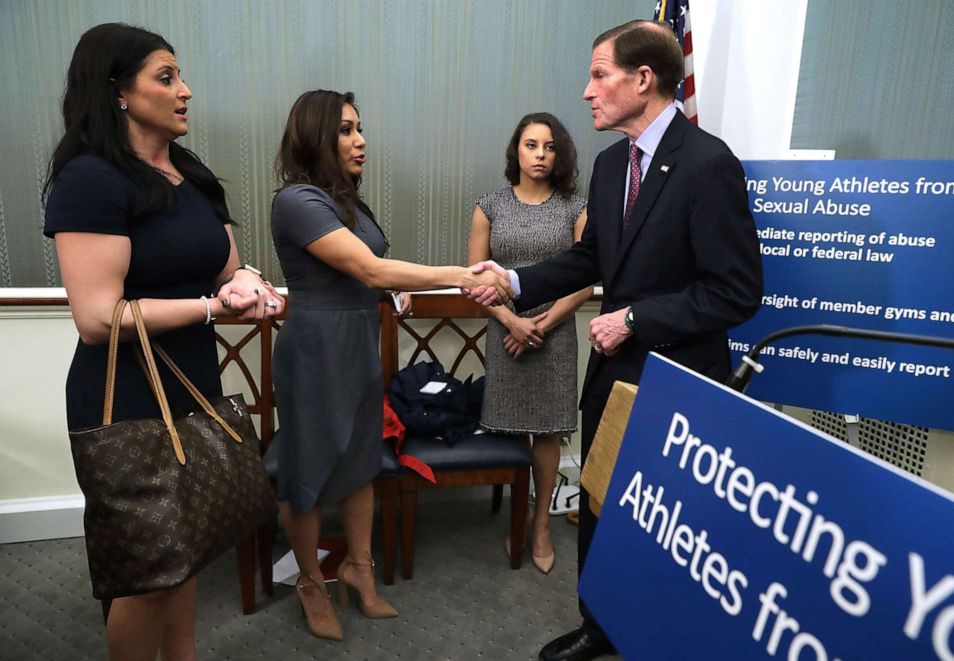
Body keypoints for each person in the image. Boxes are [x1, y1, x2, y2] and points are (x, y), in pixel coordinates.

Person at [469, 20, 763, 661]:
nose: (586, 91)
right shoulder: (609, 166)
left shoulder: (709, 165)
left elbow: (736, 294)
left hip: (680, 384)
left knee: (667, 524)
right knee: (602, 511)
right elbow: (592, 259)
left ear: (643, 79)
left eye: (599, 74)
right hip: (612, 379)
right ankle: (598, 628)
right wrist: (513, 279)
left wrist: (634, 319)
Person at [42, 23, 285, 661]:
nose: (186, 92)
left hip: (191, 383)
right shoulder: (90, 179)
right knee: (147, 574)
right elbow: (97, 317)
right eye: (166, 77)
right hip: (123, 400)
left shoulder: (192, 173)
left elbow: (226, 265)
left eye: (180, 77)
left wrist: (248, 284)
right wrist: (211, 306)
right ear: (118, 91)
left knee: (185, 554)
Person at [270, 89, 510, 641]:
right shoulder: (298, 200)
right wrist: (462, 274)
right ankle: (311, 582)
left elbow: (368, 277)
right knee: (308, 470)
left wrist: (387, 296)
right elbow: (371, 268)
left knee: (361, 462)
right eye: (348, 130)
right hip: (315, 350)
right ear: (316, 135)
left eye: (361, 129)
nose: (362, 141)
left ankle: (359, 568)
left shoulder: (346, 202)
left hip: (356, 344)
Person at [466, 112, 591, 574]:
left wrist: (541, 323)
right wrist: (513, 323)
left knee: (549, 431)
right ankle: (517, 519)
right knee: (515, 431)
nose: (540, 155)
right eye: (531, 145)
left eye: (550, 147)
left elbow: (585, 278)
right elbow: (474, 280)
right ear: (515, 151)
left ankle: (540, 525)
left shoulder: (576, 208)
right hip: (506, 334)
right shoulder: (490, 206)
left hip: (554, 337)